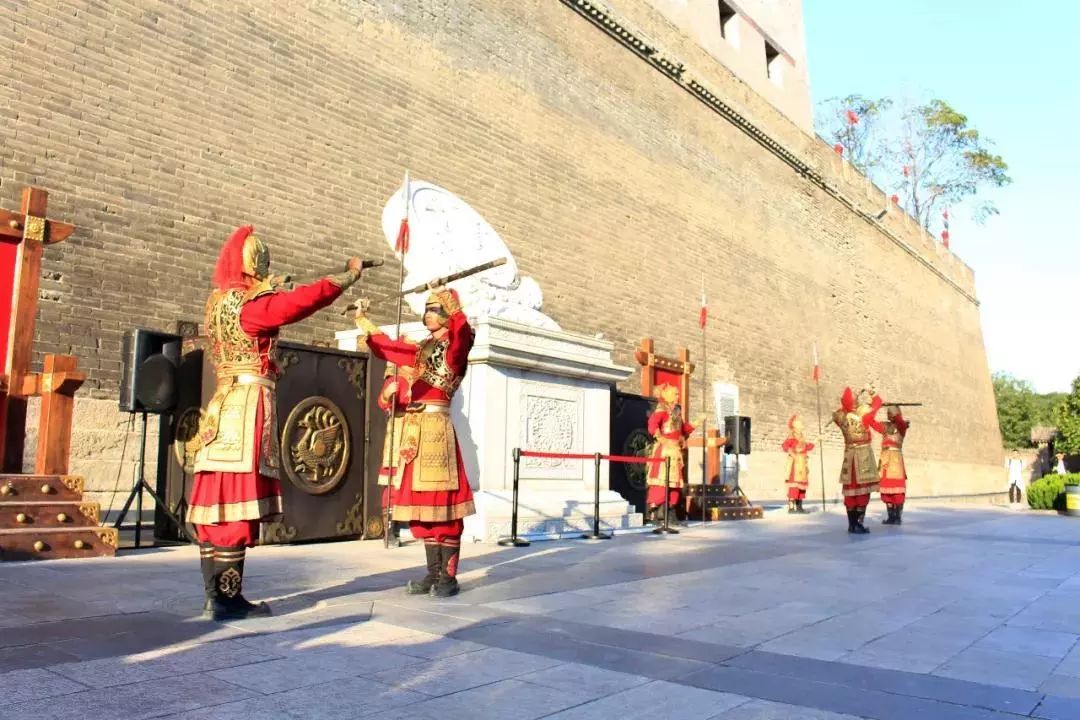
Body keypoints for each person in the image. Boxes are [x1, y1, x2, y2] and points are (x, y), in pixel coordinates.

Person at [190, 225, 362, 620]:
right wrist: (344, 278)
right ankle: (228, 601)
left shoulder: (220, 302)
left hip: (222, 404)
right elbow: (297, 304)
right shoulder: (252, 306)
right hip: (248, 406)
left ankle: (213, 596)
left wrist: (272, 288)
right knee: (234, 503)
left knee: (217, 504)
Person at [354, 287, 476, 597]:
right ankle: (433, 574)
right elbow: (391, 349)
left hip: (436, 430)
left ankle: (448, 577)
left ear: (447, 313)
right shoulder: (422, 348)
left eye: (435, 309)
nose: (428, 314)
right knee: (423, 508)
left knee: (443, 507)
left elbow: (463, 336)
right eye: (427, 309)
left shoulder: (454, 346)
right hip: (414, 431)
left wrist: (457, 310)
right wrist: (364, 321)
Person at [646, 384, 701, 527]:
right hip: (664, 450)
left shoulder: (676, 412)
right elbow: (652, 424)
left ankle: (670, 513)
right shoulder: (661, 409)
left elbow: (683, 430)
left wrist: (696, 423)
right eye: (674, 394)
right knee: (661, 482)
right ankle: (656, 513)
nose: (677, 396)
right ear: (666, 395)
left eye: (677, 393)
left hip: (676, 452)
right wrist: (660, 437)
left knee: (675, 484)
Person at [831, 386, 883, 534]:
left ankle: (851, 524)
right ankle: (858, 524)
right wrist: (874, 394)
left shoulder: (839, 416)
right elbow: (876, 405)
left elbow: (838, 413)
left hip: (849, 455)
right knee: (862, 491)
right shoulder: (863, 415)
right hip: (862, 455)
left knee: (850, 490)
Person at [878, 405, 910, 525]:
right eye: (888, 412)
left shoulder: (902, 426)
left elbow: (900, 422)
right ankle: (891, 516)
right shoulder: (885, 426)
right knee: (886, 490)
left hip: (895, 459)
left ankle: (897, 517)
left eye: (890, 412)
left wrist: (894, 410)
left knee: (897, 490)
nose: (889, 414)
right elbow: (871, 422)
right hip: (885, 459)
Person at [782, 415, 814, 514]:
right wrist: (793, 454)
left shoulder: (802, 437)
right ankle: (791, 507)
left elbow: (807, 447)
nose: (801, 425)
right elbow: (785, 446)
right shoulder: (792, 437)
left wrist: (817, 440)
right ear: (795, 426)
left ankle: (799, 506)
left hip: (802, 463)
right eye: (800, 424)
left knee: (802, 486)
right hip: (795, 464)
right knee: (794, 485)